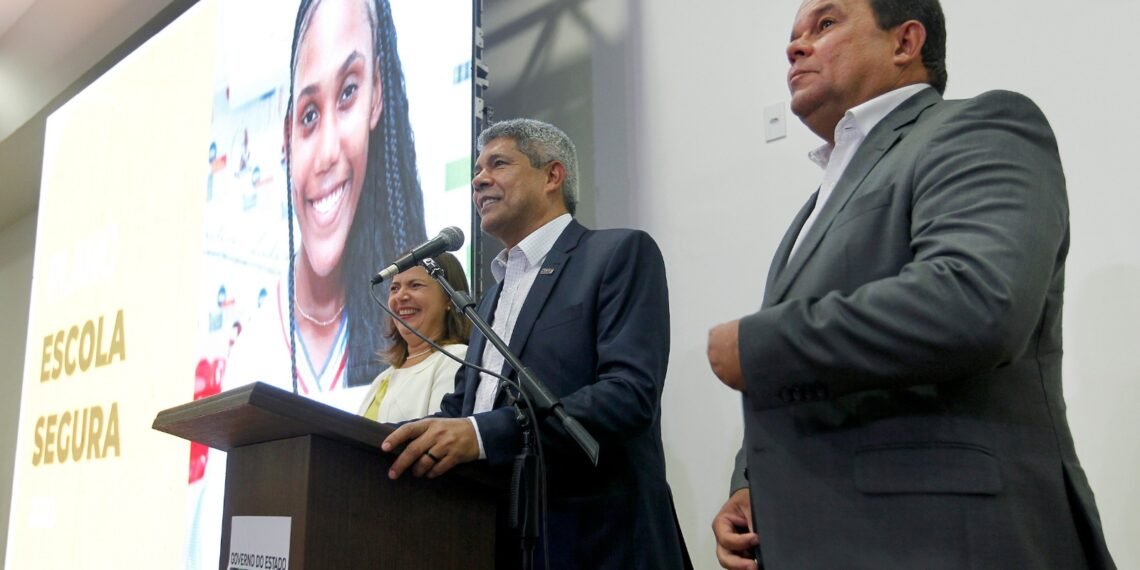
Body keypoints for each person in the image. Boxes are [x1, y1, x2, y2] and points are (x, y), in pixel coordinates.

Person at [706, 0, 1115, 568]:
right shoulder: (815, 204)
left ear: (905, 42)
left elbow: (977, 301)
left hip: (947, 539)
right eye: (793, 34)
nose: (795, 46)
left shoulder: (981, 125)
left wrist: (757, 345)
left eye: (825, 25)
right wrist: (751, 484)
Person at [381, 119, 691, 569]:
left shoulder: (618, 254)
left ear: (552, 176)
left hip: (600, 543)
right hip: (503, 540)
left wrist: (483, 434)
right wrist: (385, 441)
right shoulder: (489, 299)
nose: (478, 179)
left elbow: (629, 395)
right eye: (476, 170)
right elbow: (463, 409)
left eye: (498, 163)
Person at [227, 0, 427, 397]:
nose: (327, 153)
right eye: (309, 115)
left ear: (376, 97)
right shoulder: (252, 350)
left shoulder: (414, 330)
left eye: (349, 91)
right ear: (287, 137)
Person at [358, 252, 471, 422]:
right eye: (394, 288)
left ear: (449, 298)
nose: (400, 296)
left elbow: (439, 435)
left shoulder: (457, 358)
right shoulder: (383, 378)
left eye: (415, 285)